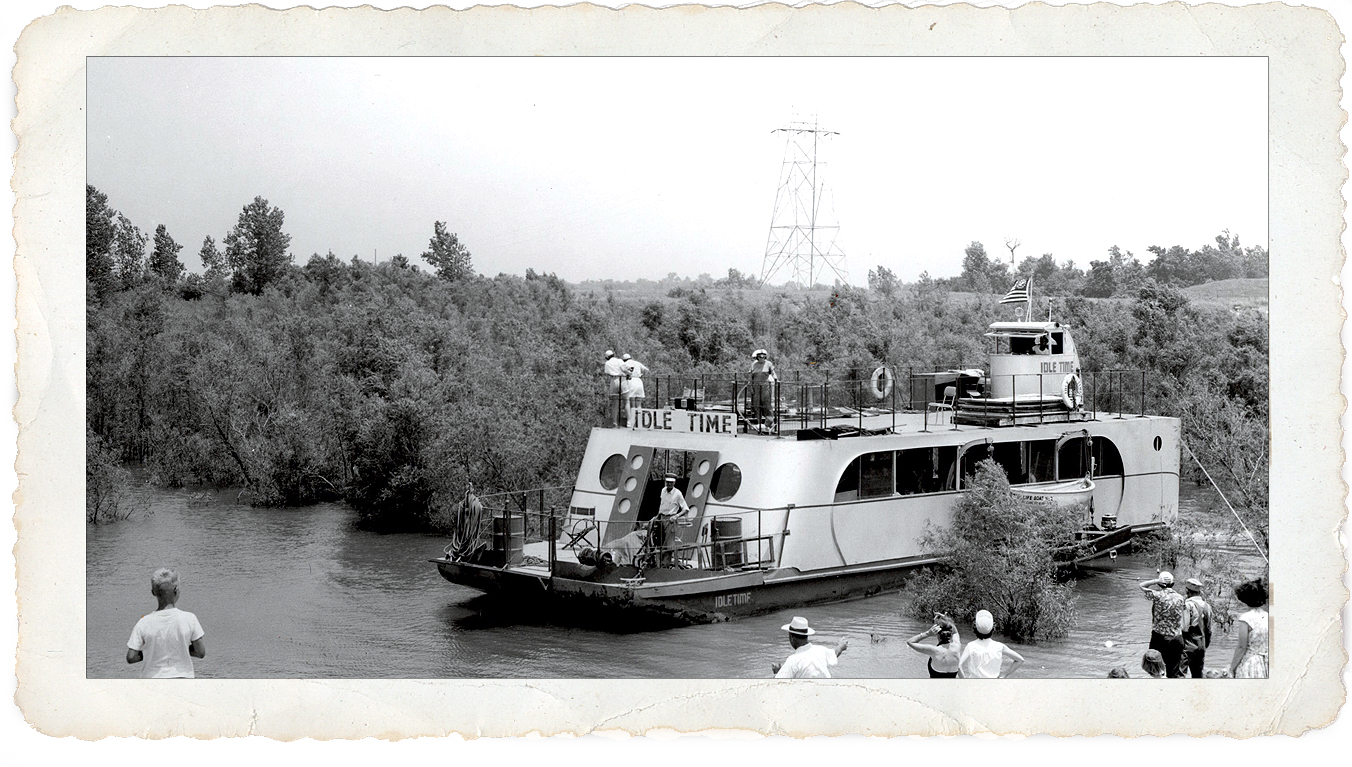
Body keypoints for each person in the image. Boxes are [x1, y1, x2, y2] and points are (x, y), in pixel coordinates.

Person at [126, 568, 206, 679]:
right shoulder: (189, 618)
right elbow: (200, 652)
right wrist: (177, 649)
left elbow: (131, 657)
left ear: (153, 592)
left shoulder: (143, 622)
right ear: (176, 590)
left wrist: (152, 652)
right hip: (182, 679)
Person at [1139, 570, 1187, 678]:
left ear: (1160, 584)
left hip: (1159, 638)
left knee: (1156, 670)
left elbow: (1141, 586)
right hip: (1176, 638)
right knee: (1173, 672)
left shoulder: (1157, 595)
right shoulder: (1181, 598)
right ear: (1173, 584)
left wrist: (1156, 580)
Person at [772, 616, 849, 678]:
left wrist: (777, 673)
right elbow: (835, 653)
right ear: (806, 636)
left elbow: (777, 686)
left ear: (791, 637)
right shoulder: (820, 650)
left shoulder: (793, 661)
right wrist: (841, 646)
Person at [957, 609, 1024, 678]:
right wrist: (1005, 674)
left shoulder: (971, 646)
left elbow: (958, 666)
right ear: (993, 629)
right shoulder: (1000, 646)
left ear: (975, 628)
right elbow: (1020, 660)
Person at [1229, 577, 1269, 679]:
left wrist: (1231, 668)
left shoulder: (1246, 618)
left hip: (1250, 662)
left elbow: (1241, 647)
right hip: (1265, 661)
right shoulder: (1267, 616)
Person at [905, 611, 962, 678]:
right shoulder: (957, 647)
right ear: (950, 633)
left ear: (937, 634)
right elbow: (955, 632)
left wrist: (928, 633)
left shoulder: (933, 650)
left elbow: (910, 642)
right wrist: (945, 619)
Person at [654, 473, 691, 565]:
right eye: (667, 482)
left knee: (669, 543)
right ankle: (658, 563)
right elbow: (662, 504)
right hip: (661, 518)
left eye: (671, 483)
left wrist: (676, 516)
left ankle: (666, 564)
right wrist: (657, 516)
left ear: (674, 483)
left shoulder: (677, 494)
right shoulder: (663, 490)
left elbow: (685, 509)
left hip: (671, 520)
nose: (669, 484)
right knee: (659, 542)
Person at [1181, 577, 1213, 678]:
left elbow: (1184, 628)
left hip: (1188, 645)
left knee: (1180, 675)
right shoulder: (1207, 606)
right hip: (1201, 645)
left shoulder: (1187, 605)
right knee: (1198, 675)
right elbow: (1209, 629)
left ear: (1187, 591)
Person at [748, 349, 777, 422]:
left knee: (767, 404)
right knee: (756, 404)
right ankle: (759, 421)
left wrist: (775, 379)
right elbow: (750, 376)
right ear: (757, 357)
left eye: (763, 357)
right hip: (756, 387)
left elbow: (773, 373)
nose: (761, 358)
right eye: (760, 357)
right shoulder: (754, 364)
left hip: (765, 387)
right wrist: (751, 387)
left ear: (765, 357)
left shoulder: (768, 364)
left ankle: (769, 421)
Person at [622, 353, 650, 427]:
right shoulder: (637, 363)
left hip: (631, 381)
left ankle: (631, 421)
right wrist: (641, 374)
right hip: (639, 381)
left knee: (631, 403)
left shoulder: (625, 363)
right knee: (639, 403)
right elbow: (647, 370)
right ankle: (639, 422)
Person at [603, 350, 625, 427]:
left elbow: (607, 373)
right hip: (623, 379)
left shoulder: (607, 363)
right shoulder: (620, 361)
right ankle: (629, 421)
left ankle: (615, 421)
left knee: (615, 402)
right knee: (627, 400)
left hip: (614, 380)